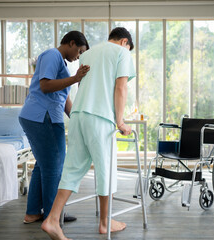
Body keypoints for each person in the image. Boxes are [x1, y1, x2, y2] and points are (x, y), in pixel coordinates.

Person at [41, 27, 135, 240]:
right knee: (106, 169)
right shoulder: (122, 53)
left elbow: (83, 84)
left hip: (78, 115)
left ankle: (52, 219)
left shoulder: (88, 53)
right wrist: (120, 121)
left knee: (72, 169)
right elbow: (121, 88)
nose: (128, 50)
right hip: (100, 118)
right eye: (129, 47)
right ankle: (105, 222)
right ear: (123, 42)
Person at [19, 31, 90, 224]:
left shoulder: (60, 62)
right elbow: (46, 86)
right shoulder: (53, 55)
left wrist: (76, 117)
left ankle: (33, 212)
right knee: (54, 167)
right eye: (79, 51)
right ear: (72, 43)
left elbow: (63, 96)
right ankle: (52, 217)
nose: (78, 57)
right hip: (44, 117)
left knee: (43, 166)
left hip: (38, 116)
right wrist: (75, 79)